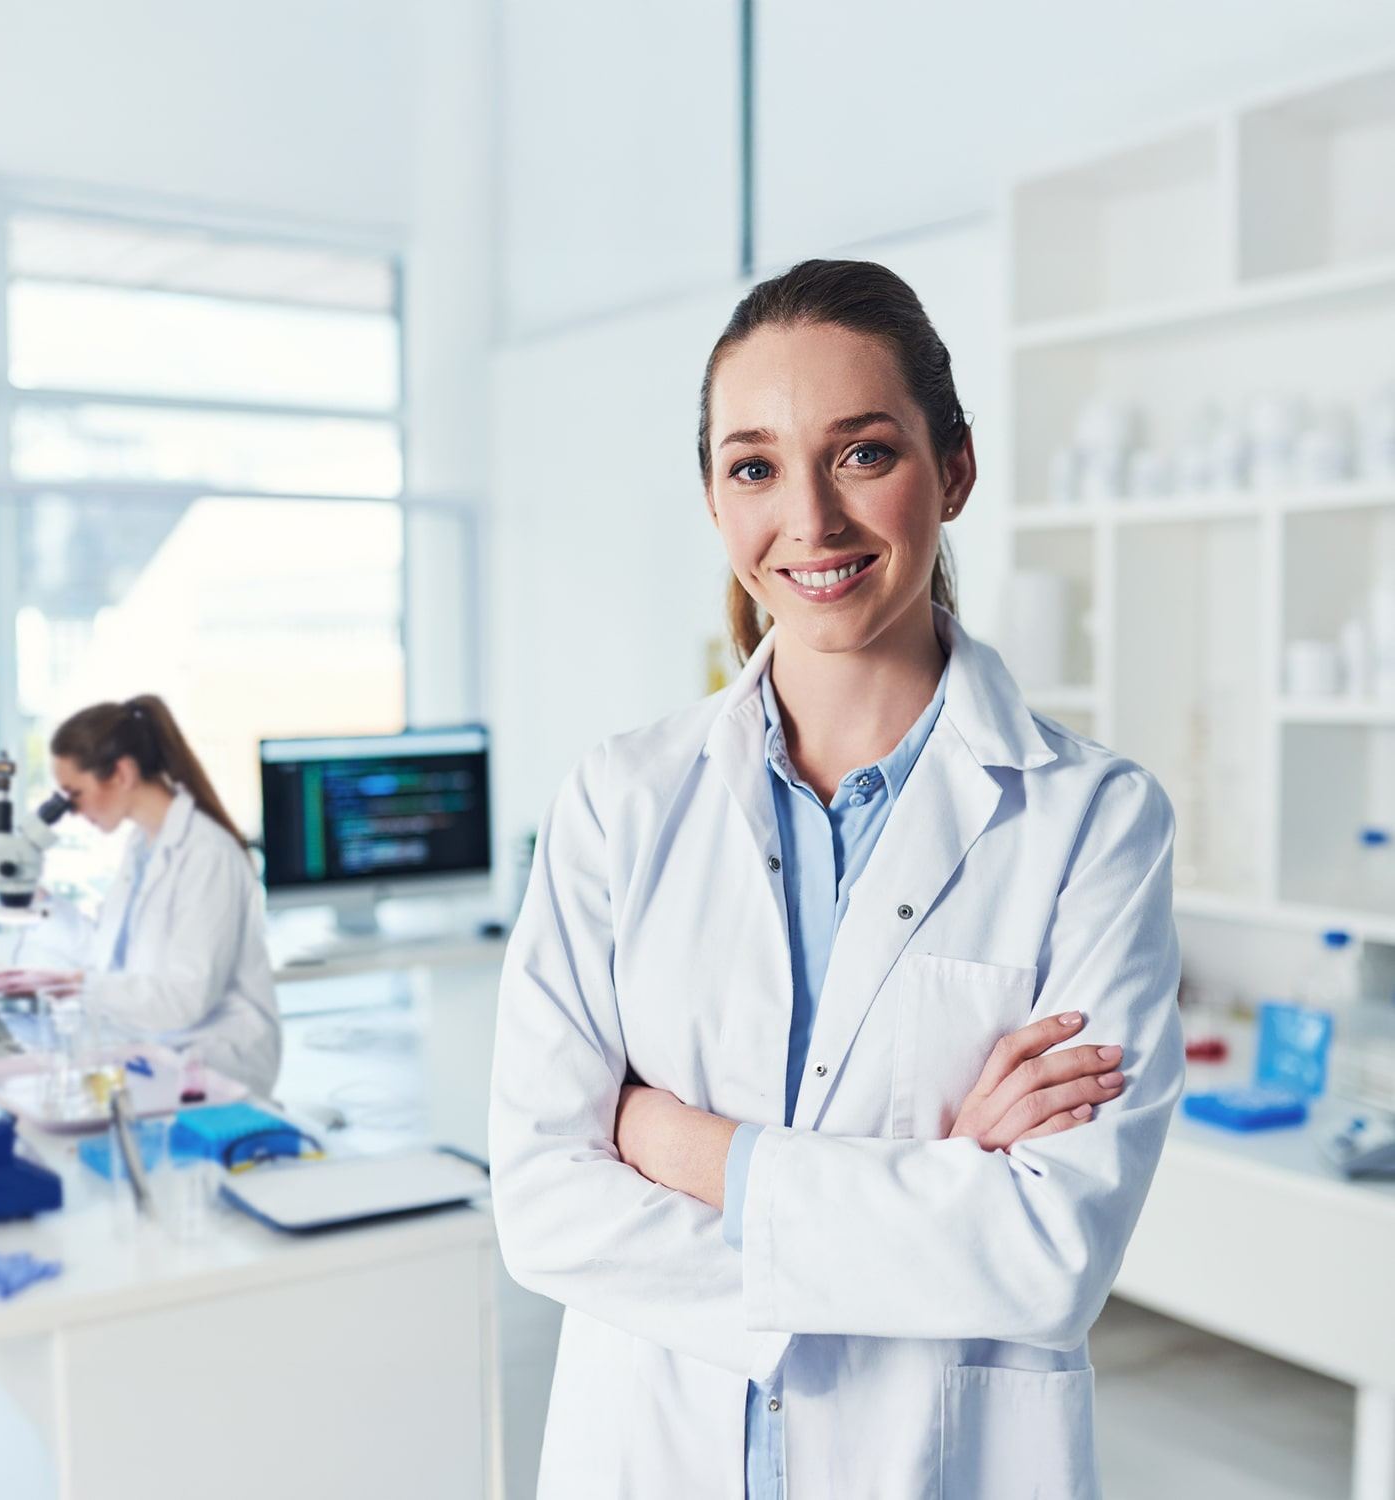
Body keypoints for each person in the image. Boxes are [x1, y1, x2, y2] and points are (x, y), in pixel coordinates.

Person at [488, 259, 1183, 1499]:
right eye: (755, 466)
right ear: (714, 499)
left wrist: (683, 1145)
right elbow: (543, 1205)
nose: (809, 522)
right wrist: (931, 1203)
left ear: (954, 470)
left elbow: (1045, 1254)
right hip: (647, 1452)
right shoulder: (621, 801)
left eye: (862, 454)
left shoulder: (1093, 824)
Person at [0, 695, 281, 1097]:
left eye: (74, 793)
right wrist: (41, 904)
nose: (70, 811)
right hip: (159, 1053)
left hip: (216, 1067)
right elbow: (110, 957)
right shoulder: (143, 846)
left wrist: (76, 984)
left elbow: (183, 999)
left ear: (121, 773)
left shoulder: (205, 854)